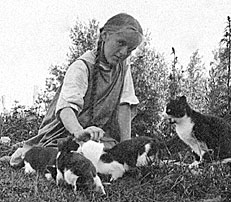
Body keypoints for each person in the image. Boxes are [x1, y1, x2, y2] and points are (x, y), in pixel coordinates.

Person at [10, 13, 144, 167]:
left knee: (108, 158)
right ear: (105, 36)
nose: (123, 52)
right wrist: (79, 132)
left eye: (130, 49)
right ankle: (26, 154)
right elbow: (66, 109)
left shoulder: (124, 68)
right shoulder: (81, 67)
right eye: (120, 43)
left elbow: (124, 106)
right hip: (66, 133)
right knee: (67, 160)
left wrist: (126, 147)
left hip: (95, 136)